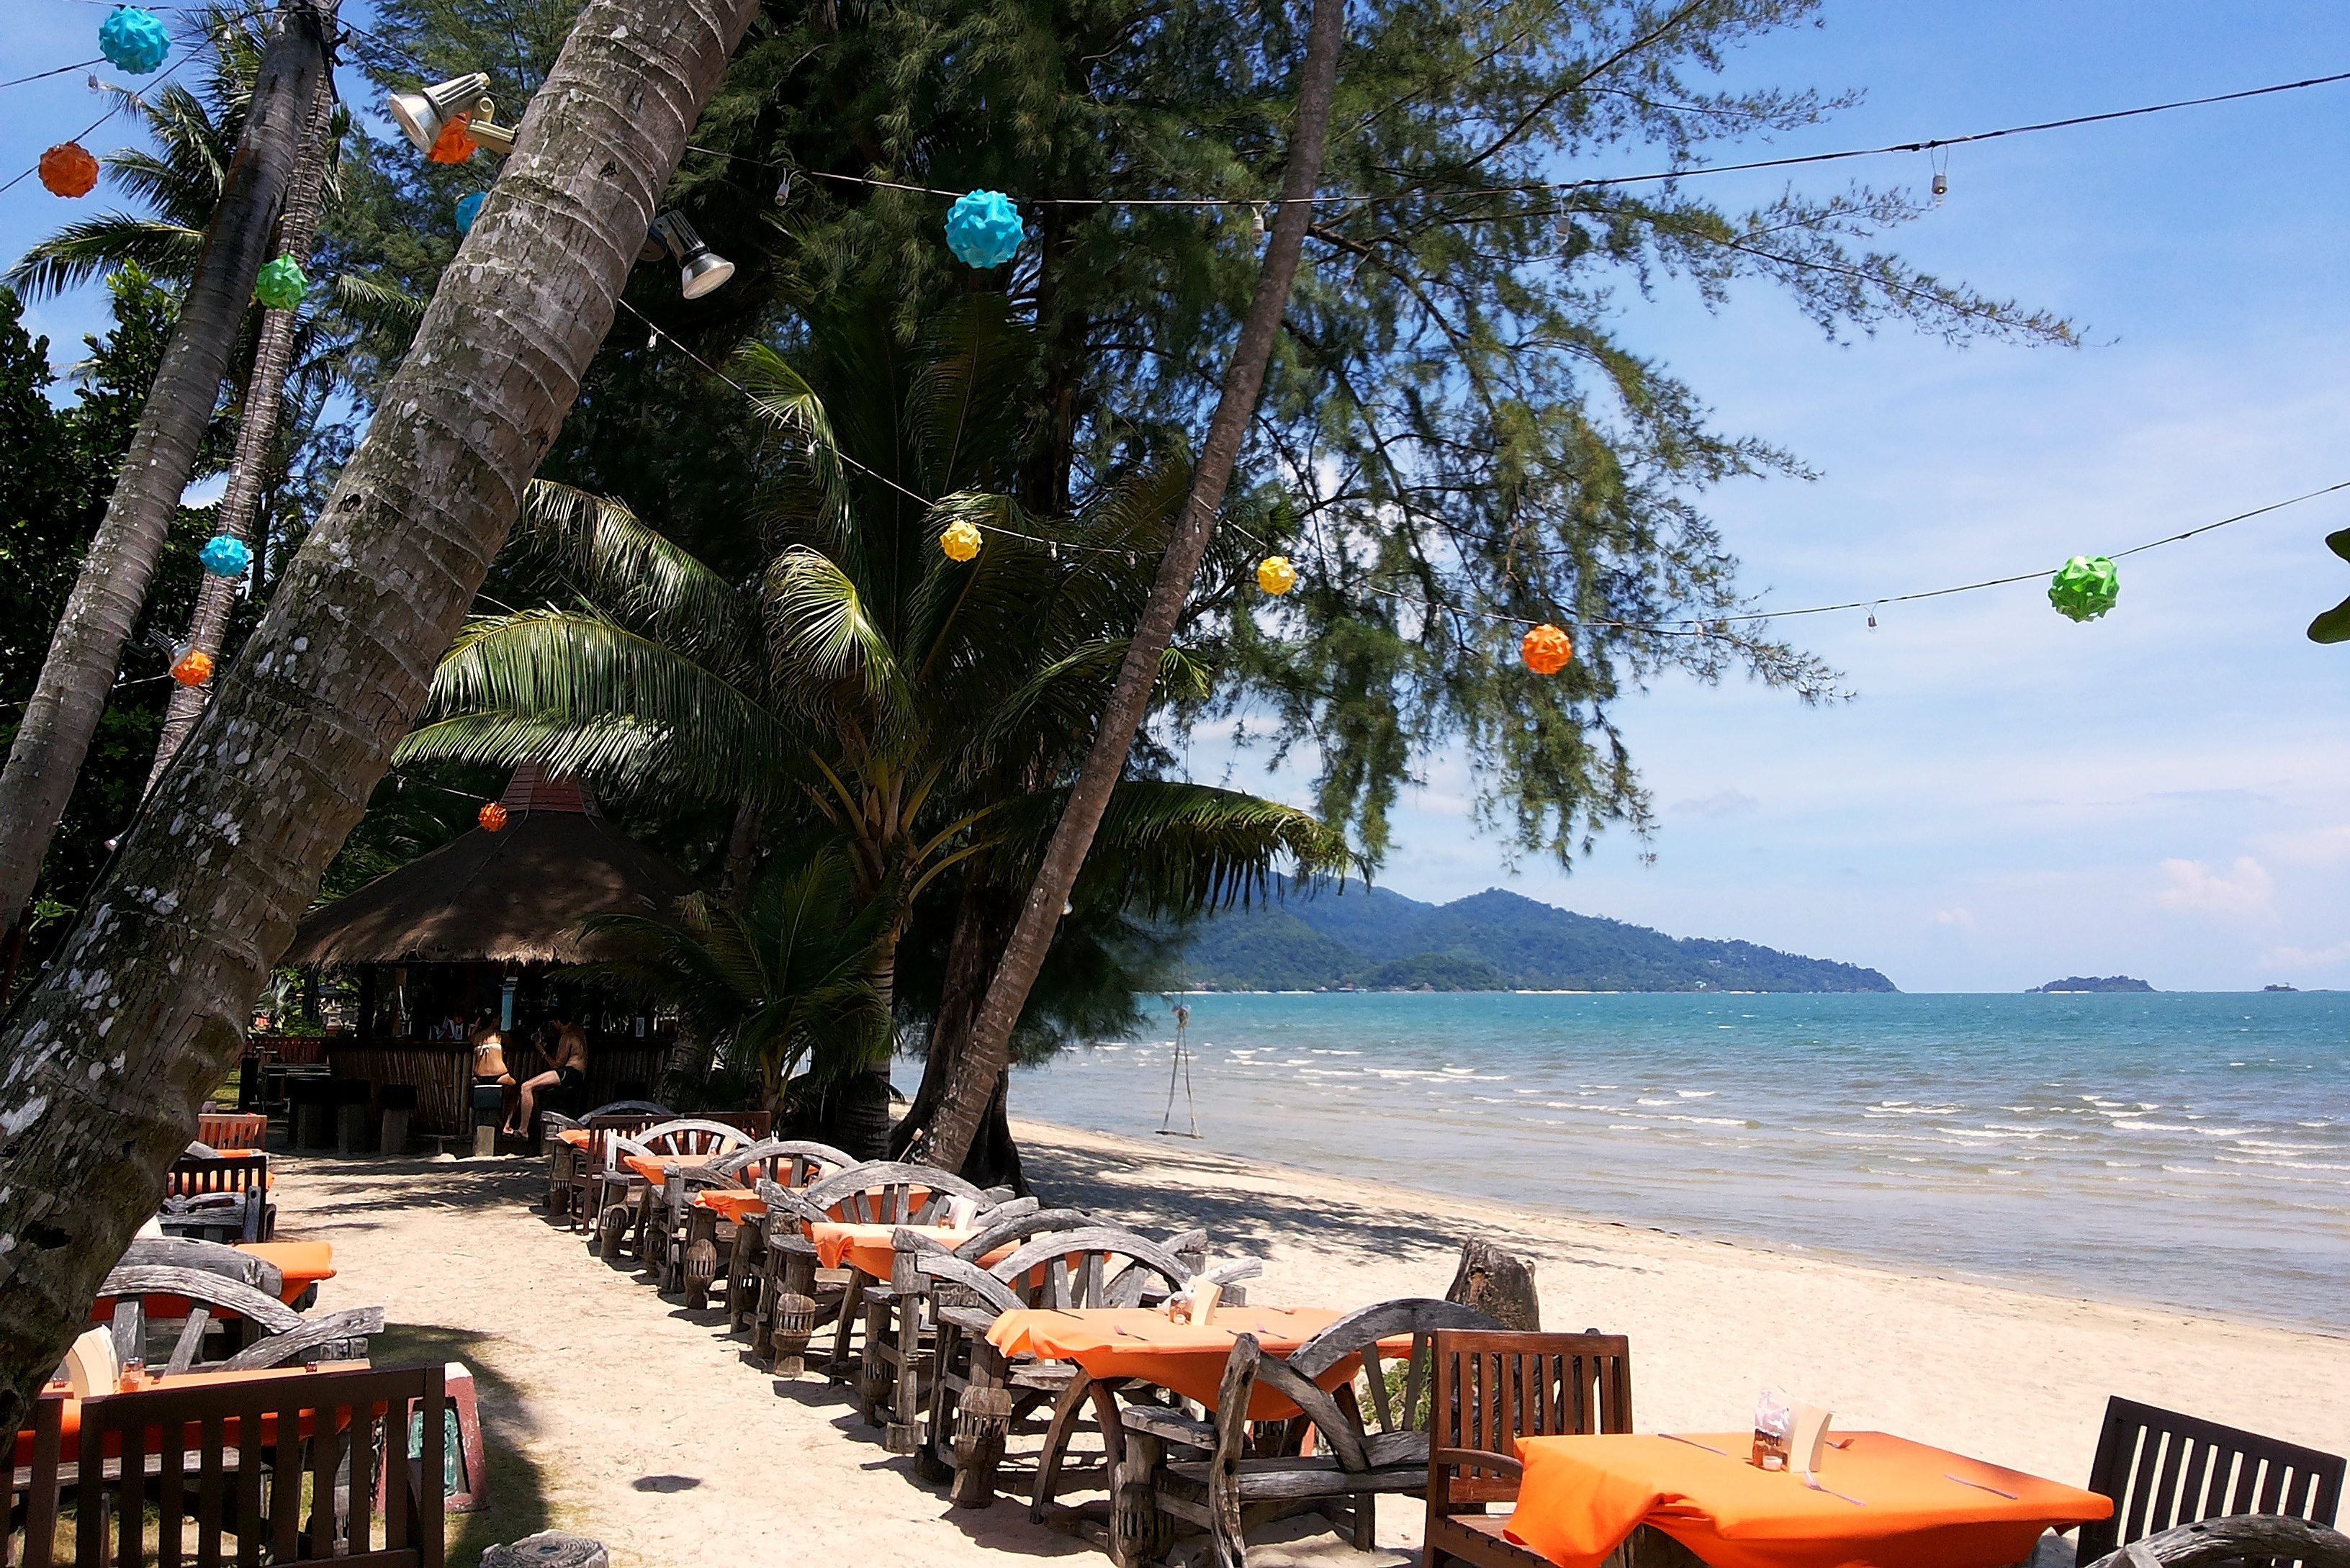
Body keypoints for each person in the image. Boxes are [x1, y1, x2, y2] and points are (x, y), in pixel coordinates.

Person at [508, 1011, 588, 1135]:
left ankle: (523, 1129)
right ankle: (538, 1126)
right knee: (537, 1090)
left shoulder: (567, 1036)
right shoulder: (579, 1032)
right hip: (577, 1075)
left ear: (558, 1022)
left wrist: (542, 1051)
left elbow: (557, 1065)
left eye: (554, 1024)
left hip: (569, 1073)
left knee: (526, 1086)